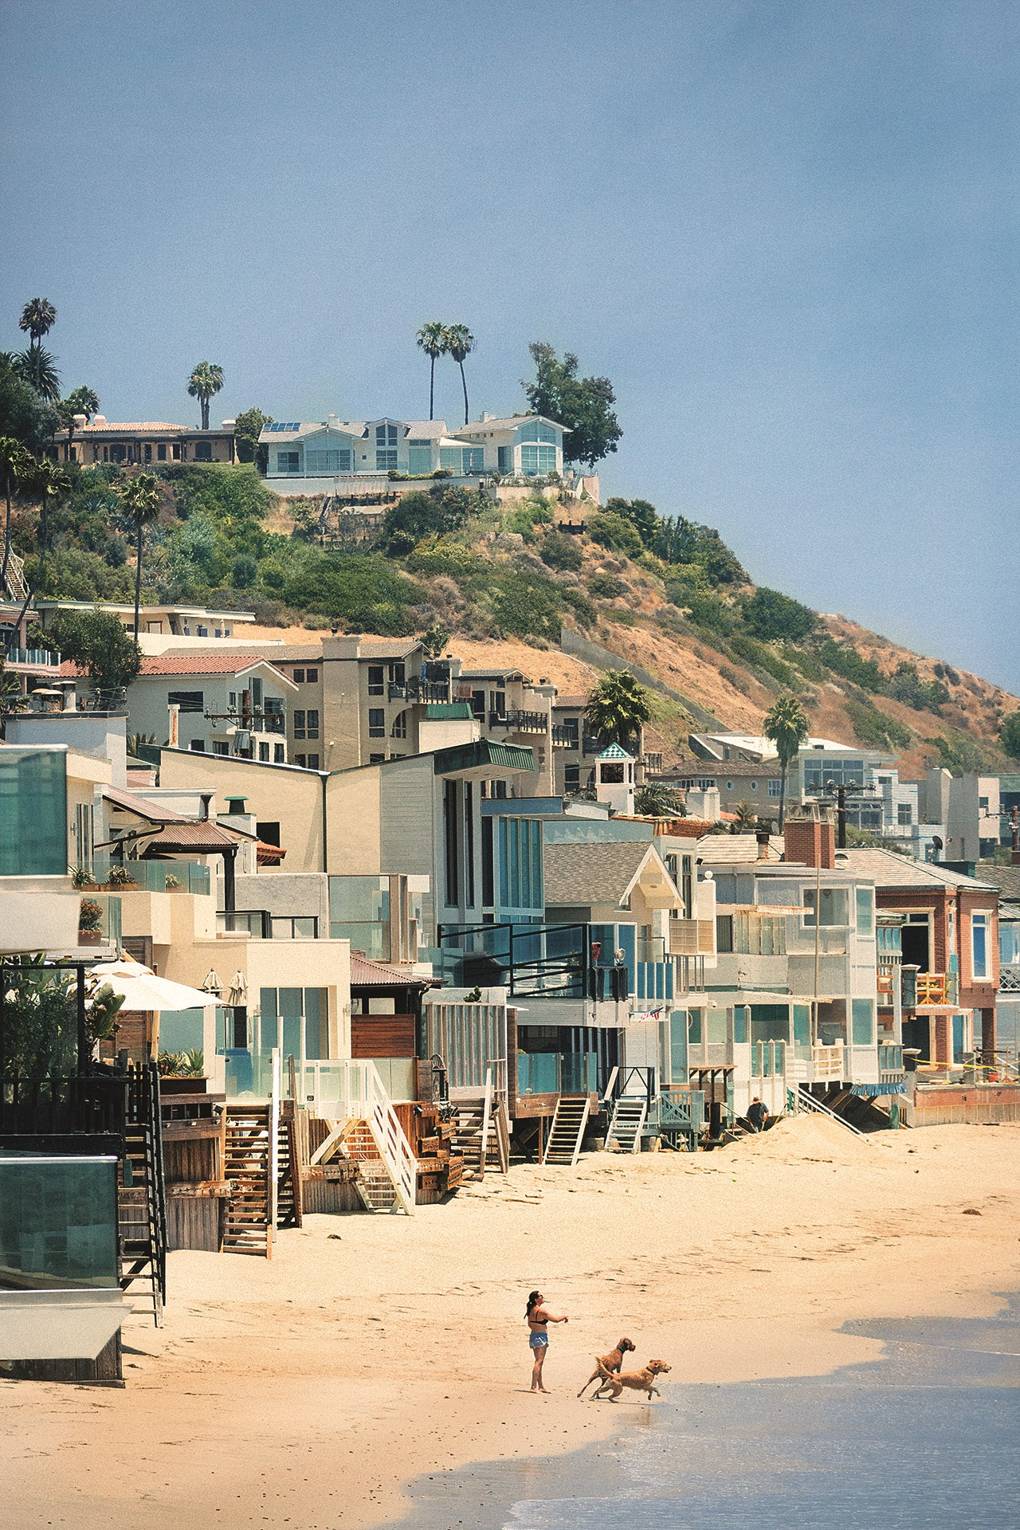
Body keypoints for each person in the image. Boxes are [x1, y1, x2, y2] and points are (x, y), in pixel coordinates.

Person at [525, 1289, 568, 1393]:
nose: (542, 1297)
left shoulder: (530, 1310)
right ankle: (533, 1386)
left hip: (534, 1335)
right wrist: (565, 1316)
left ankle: (540, 1386)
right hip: (541, 1337)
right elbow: (556, 1319)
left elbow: (530, 1324)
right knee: (539, 1362)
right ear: (536, 1299)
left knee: (539, 1362)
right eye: (540, 1296)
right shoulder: (541, 1311)